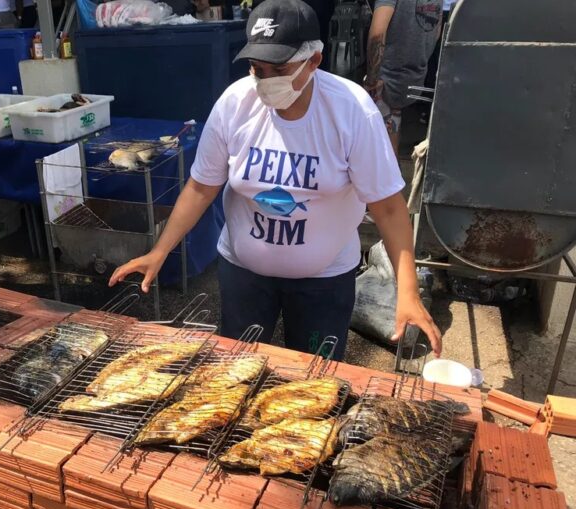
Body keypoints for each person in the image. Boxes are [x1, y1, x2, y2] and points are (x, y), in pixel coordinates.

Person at [109, 0, 442, 359]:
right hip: (245, 275)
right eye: (257, 68)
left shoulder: (351, 110)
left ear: (314, 61)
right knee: (235, 370)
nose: (266, 81)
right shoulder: (235, 103)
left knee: (317, 381)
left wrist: (407, 291)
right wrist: (159, 251)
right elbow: (202, 186)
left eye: (279, 69)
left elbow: (389, 208)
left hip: (324, 280)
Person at [364, 0, 442, 153]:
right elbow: (437, 28)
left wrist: (372, 78)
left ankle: (388, 172)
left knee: (378, 139)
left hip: (387, 74)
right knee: (394, 119)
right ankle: (392, 171)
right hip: (416, 72)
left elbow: (377, 34)